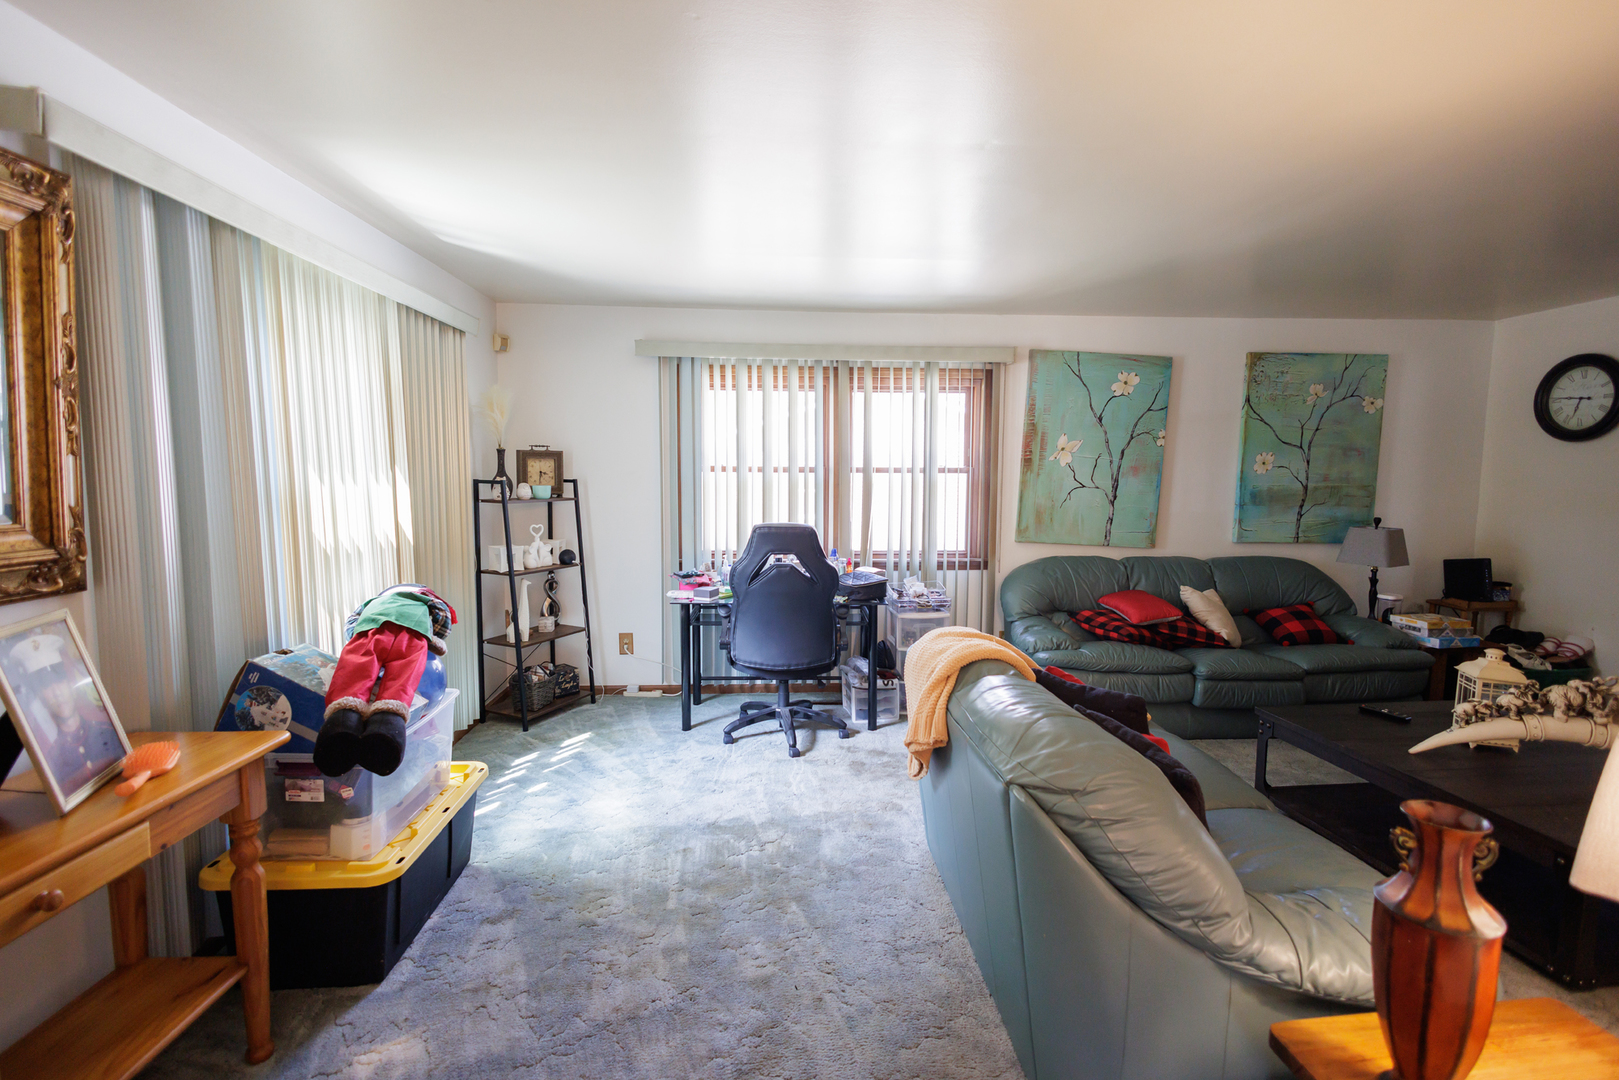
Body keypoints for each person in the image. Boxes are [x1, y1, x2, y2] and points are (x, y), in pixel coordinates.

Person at [313, 584, 455, 778]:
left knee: (353, 674)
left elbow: (352, 624)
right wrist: (436, 640)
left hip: (370, 629)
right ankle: (387, 727)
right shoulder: (431, 602)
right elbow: (443, 623)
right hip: (412, 634)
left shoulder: (372, 602)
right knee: (401, 682)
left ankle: (342, 722)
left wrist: (357, 636)